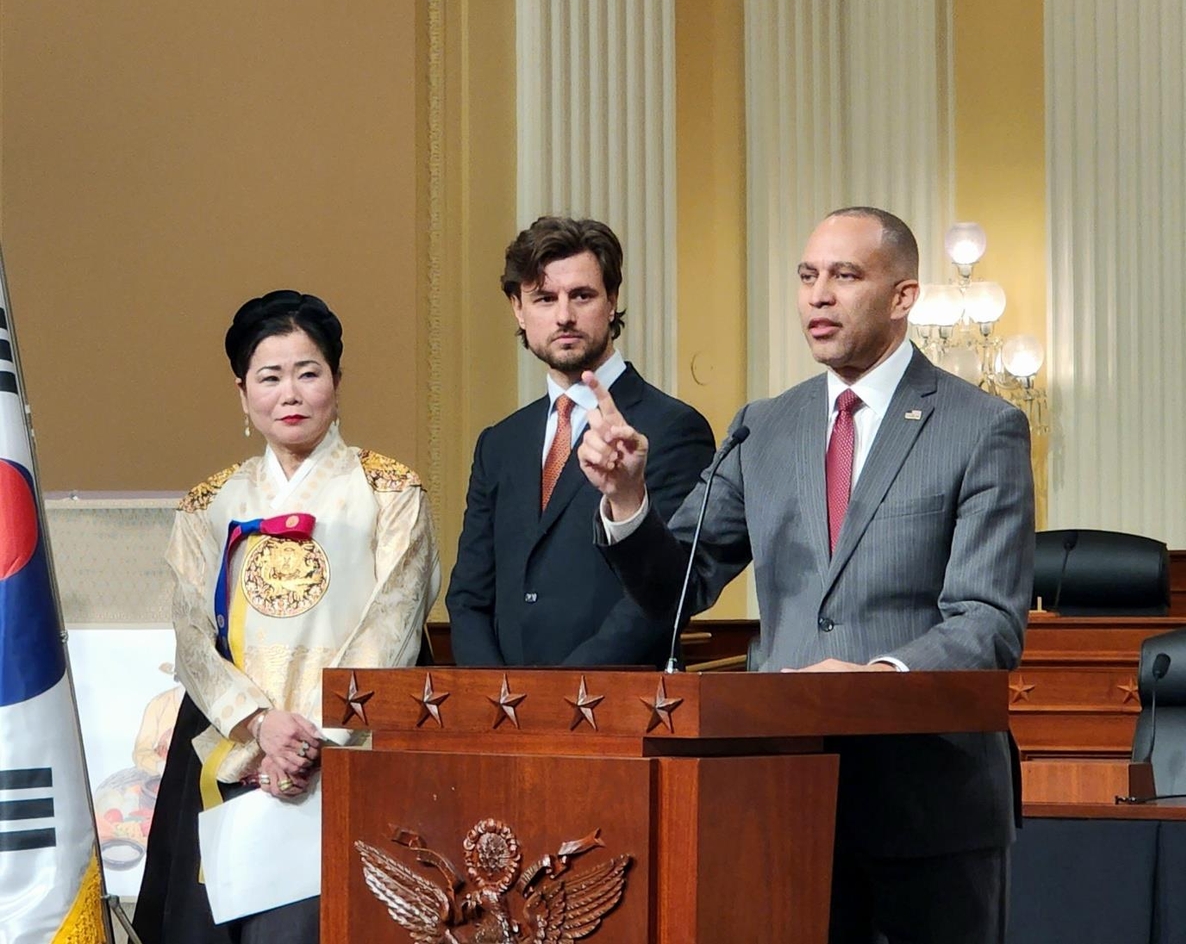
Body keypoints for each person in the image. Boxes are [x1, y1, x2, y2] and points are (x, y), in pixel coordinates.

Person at [579, 207, 1034, 943]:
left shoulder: (981, 426)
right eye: (807, 276)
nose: (819, 295)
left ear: (903, 295)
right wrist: (630, 497)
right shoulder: (764, 426)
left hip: (927, 805)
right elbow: (678, 585)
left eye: (845, 275)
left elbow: (987, 621)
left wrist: (868, 677)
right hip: (776, 800)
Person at [133, 290, 440, 944]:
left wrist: (313, 740)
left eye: (308, 371)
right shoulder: (208, 503)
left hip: (352, 757)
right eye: (269, 377)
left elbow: (394, 625)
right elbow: (191, 637)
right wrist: (261, 726)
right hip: (234, 746)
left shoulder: (391, 492)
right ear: (243, 393)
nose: (290, 393)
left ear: (336, 379)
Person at [446, 216, 714, 667]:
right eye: (544, 298)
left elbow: (663, 597)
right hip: (501, 718)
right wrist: (495, 700)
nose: (564, 315)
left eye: (582, 296)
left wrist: (559, 697)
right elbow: (470, 595)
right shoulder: (499, 443)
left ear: (612, 301)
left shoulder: (672, 428)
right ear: (518, 309)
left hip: (618, 707)